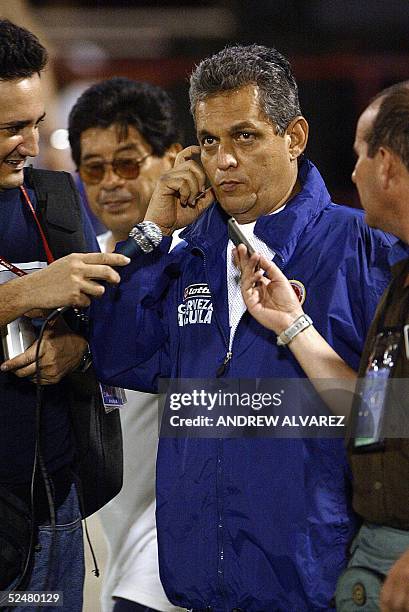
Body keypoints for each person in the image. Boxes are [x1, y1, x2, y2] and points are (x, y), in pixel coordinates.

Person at [89, 45, 397, 611]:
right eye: (209, 141)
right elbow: (115, 356)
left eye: (245, 136)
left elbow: (395, 419)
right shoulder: (183, 261)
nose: (224, 160)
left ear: (295, 136)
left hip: (318, 590)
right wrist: (153, 231)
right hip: (199, 590)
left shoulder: (365, 251)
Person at [236, 81, 409, 612]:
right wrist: (293, 325)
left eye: (359, 155)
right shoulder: (402, 278)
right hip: (378, 548)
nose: (352, 173)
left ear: (384, 163)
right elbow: (378, 415)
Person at [0, 19, 129, 611]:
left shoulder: (55, 194)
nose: (28, 143)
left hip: (55, 508)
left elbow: (97, 318)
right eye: (9, 128)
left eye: (34, 124)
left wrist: (79, 349)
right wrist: (20, 296)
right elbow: (35, 294)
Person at [68, 77, 183, 612]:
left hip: (175, 518)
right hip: (105, 524)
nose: (110, 182)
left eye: (128, 162)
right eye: (94, 169)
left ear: (173, 159)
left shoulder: (205, 268)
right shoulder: (76, 275)